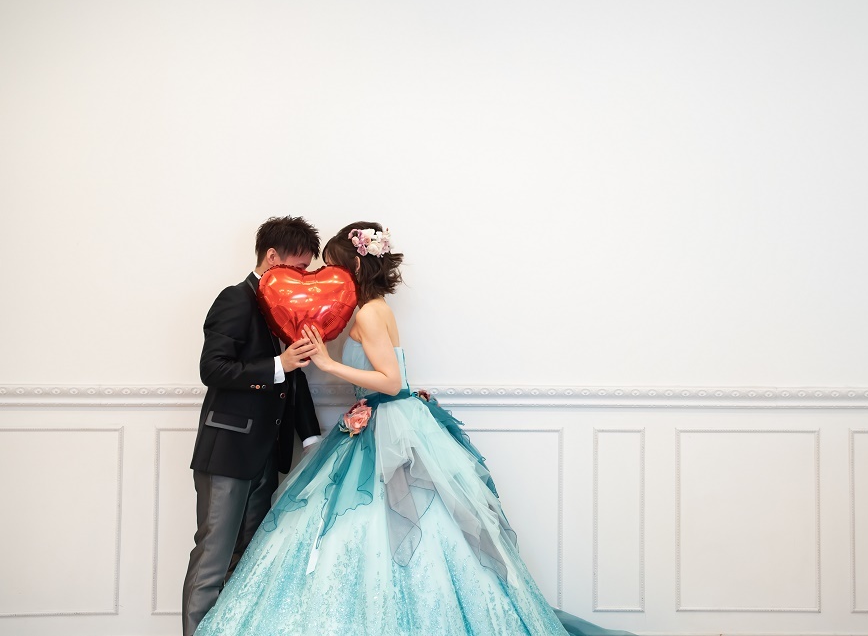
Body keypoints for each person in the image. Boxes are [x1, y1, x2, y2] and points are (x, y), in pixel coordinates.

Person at [194, 221, 632, 635]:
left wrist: (327, 364)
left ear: (356, 265)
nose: (327, 277)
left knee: (384, 522)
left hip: (387, 422)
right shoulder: (370, 310)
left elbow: (391, 382)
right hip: (380, 421)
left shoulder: (368, 314)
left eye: (333, 266)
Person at [182, 216, 325, 636]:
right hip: (228, 453)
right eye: (298, 268)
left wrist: (311, 437)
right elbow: (213, 369)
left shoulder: (286, 308)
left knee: (247, 561)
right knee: (212, 559)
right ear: (272, 257)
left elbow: (294, 378)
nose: (302, 278)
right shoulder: (236, 298)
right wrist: (278, 363)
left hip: (266, 455)